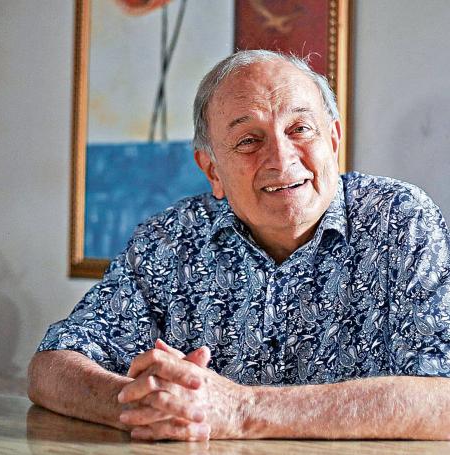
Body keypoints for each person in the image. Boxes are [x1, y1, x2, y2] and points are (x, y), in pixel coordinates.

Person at [28, 50, 450, 441]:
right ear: (212, 169)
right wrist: (145, 406)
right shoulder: (171, 238)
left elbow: (443, 400)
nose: (281, 158)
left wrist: (242, 410)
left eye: (300, 129)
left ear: (334, 140)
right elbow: (52, 366)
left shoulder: (400, 220)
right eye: (249, 140)